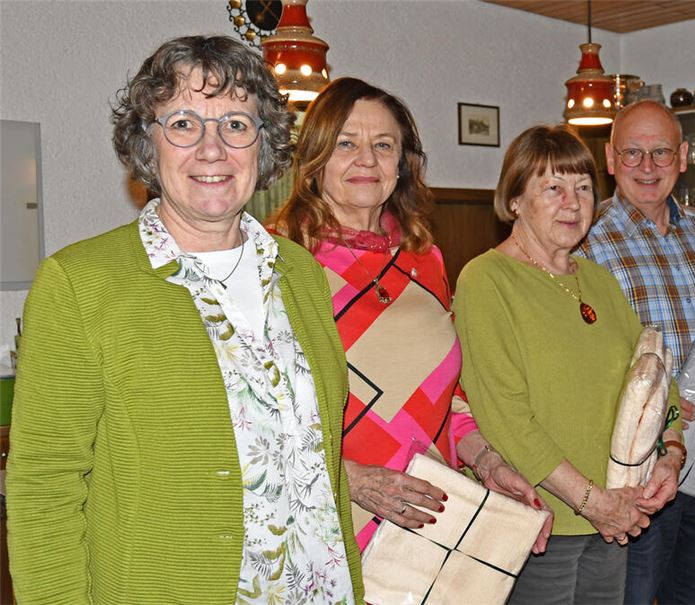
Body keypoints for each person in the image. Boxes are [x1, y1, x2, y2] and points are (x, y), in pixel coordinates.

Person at [5, 36, 363, 604]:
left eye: (236, 125)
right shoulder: (80, 283)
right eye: (182, 123)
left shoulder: (299, 273)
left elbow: (324, 462)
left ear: (263, 144)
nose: (212, 149)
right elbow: (44, 485)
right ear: (149, 143)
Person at [270, 77, 550, 554]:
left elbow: (450, 398)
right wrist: (352, 480)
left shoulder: (425, 258)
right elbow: (252, 413)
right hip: (328, 526)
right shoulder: (278, 259)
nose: (366, 159)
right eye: (346, 143)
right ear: (314, 160)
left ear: (401, 165)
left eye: (383, 145)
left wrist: (489, 463)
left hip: (430, 528)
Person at [454, 124, 685, 605]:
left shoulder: (597, 280)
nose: (572, 202)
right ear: (515, 200)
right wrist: (593, 502)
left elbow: (654, 371)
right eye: (552, 188)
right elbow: (506, 419)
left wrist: (672, 452)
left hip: (614, 515)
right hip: (541, 521)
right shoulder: (486, 279)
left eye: (582, 188)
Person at [578, 99, 695, 605]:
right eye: (632, 153)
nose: (646, 167)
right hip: (638, 469)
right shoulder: (585, 239)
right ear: (610, 160)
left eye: (660, 152)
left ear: (683, 157)